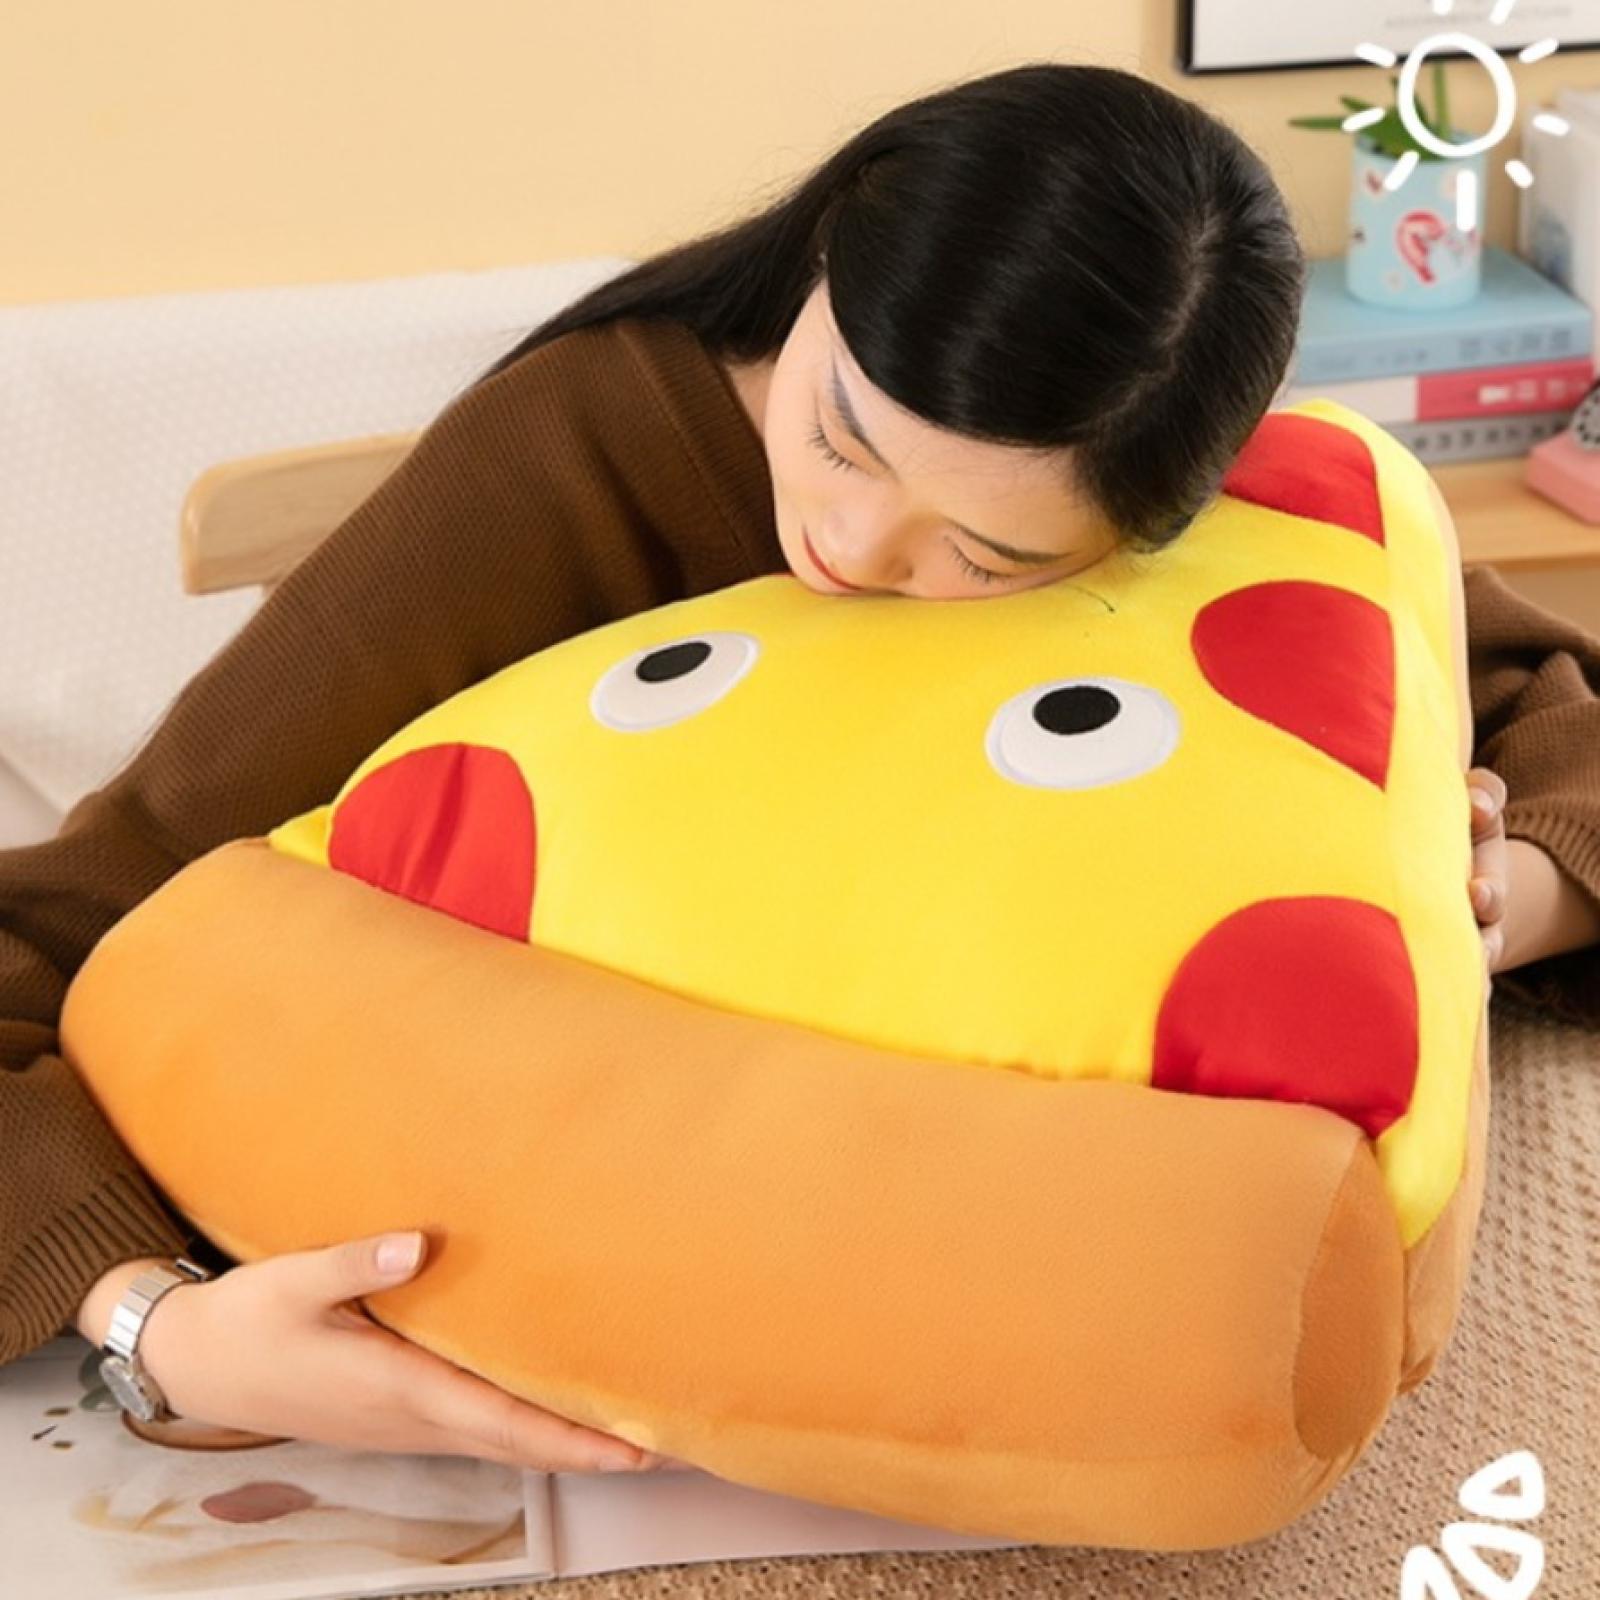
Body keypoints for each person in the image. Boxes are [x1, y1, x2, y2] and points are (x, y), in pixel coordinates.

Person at [4, 62, 1597, 1478]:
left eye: (987, 555)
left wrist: (1491, 897)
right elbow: (69, 919)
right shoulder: (574, 457)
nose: (851, 545)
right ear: (828, 256)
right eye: (843, 431)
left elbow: (1537, 706)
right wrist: (156, 1324)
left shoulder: (1181, 469)